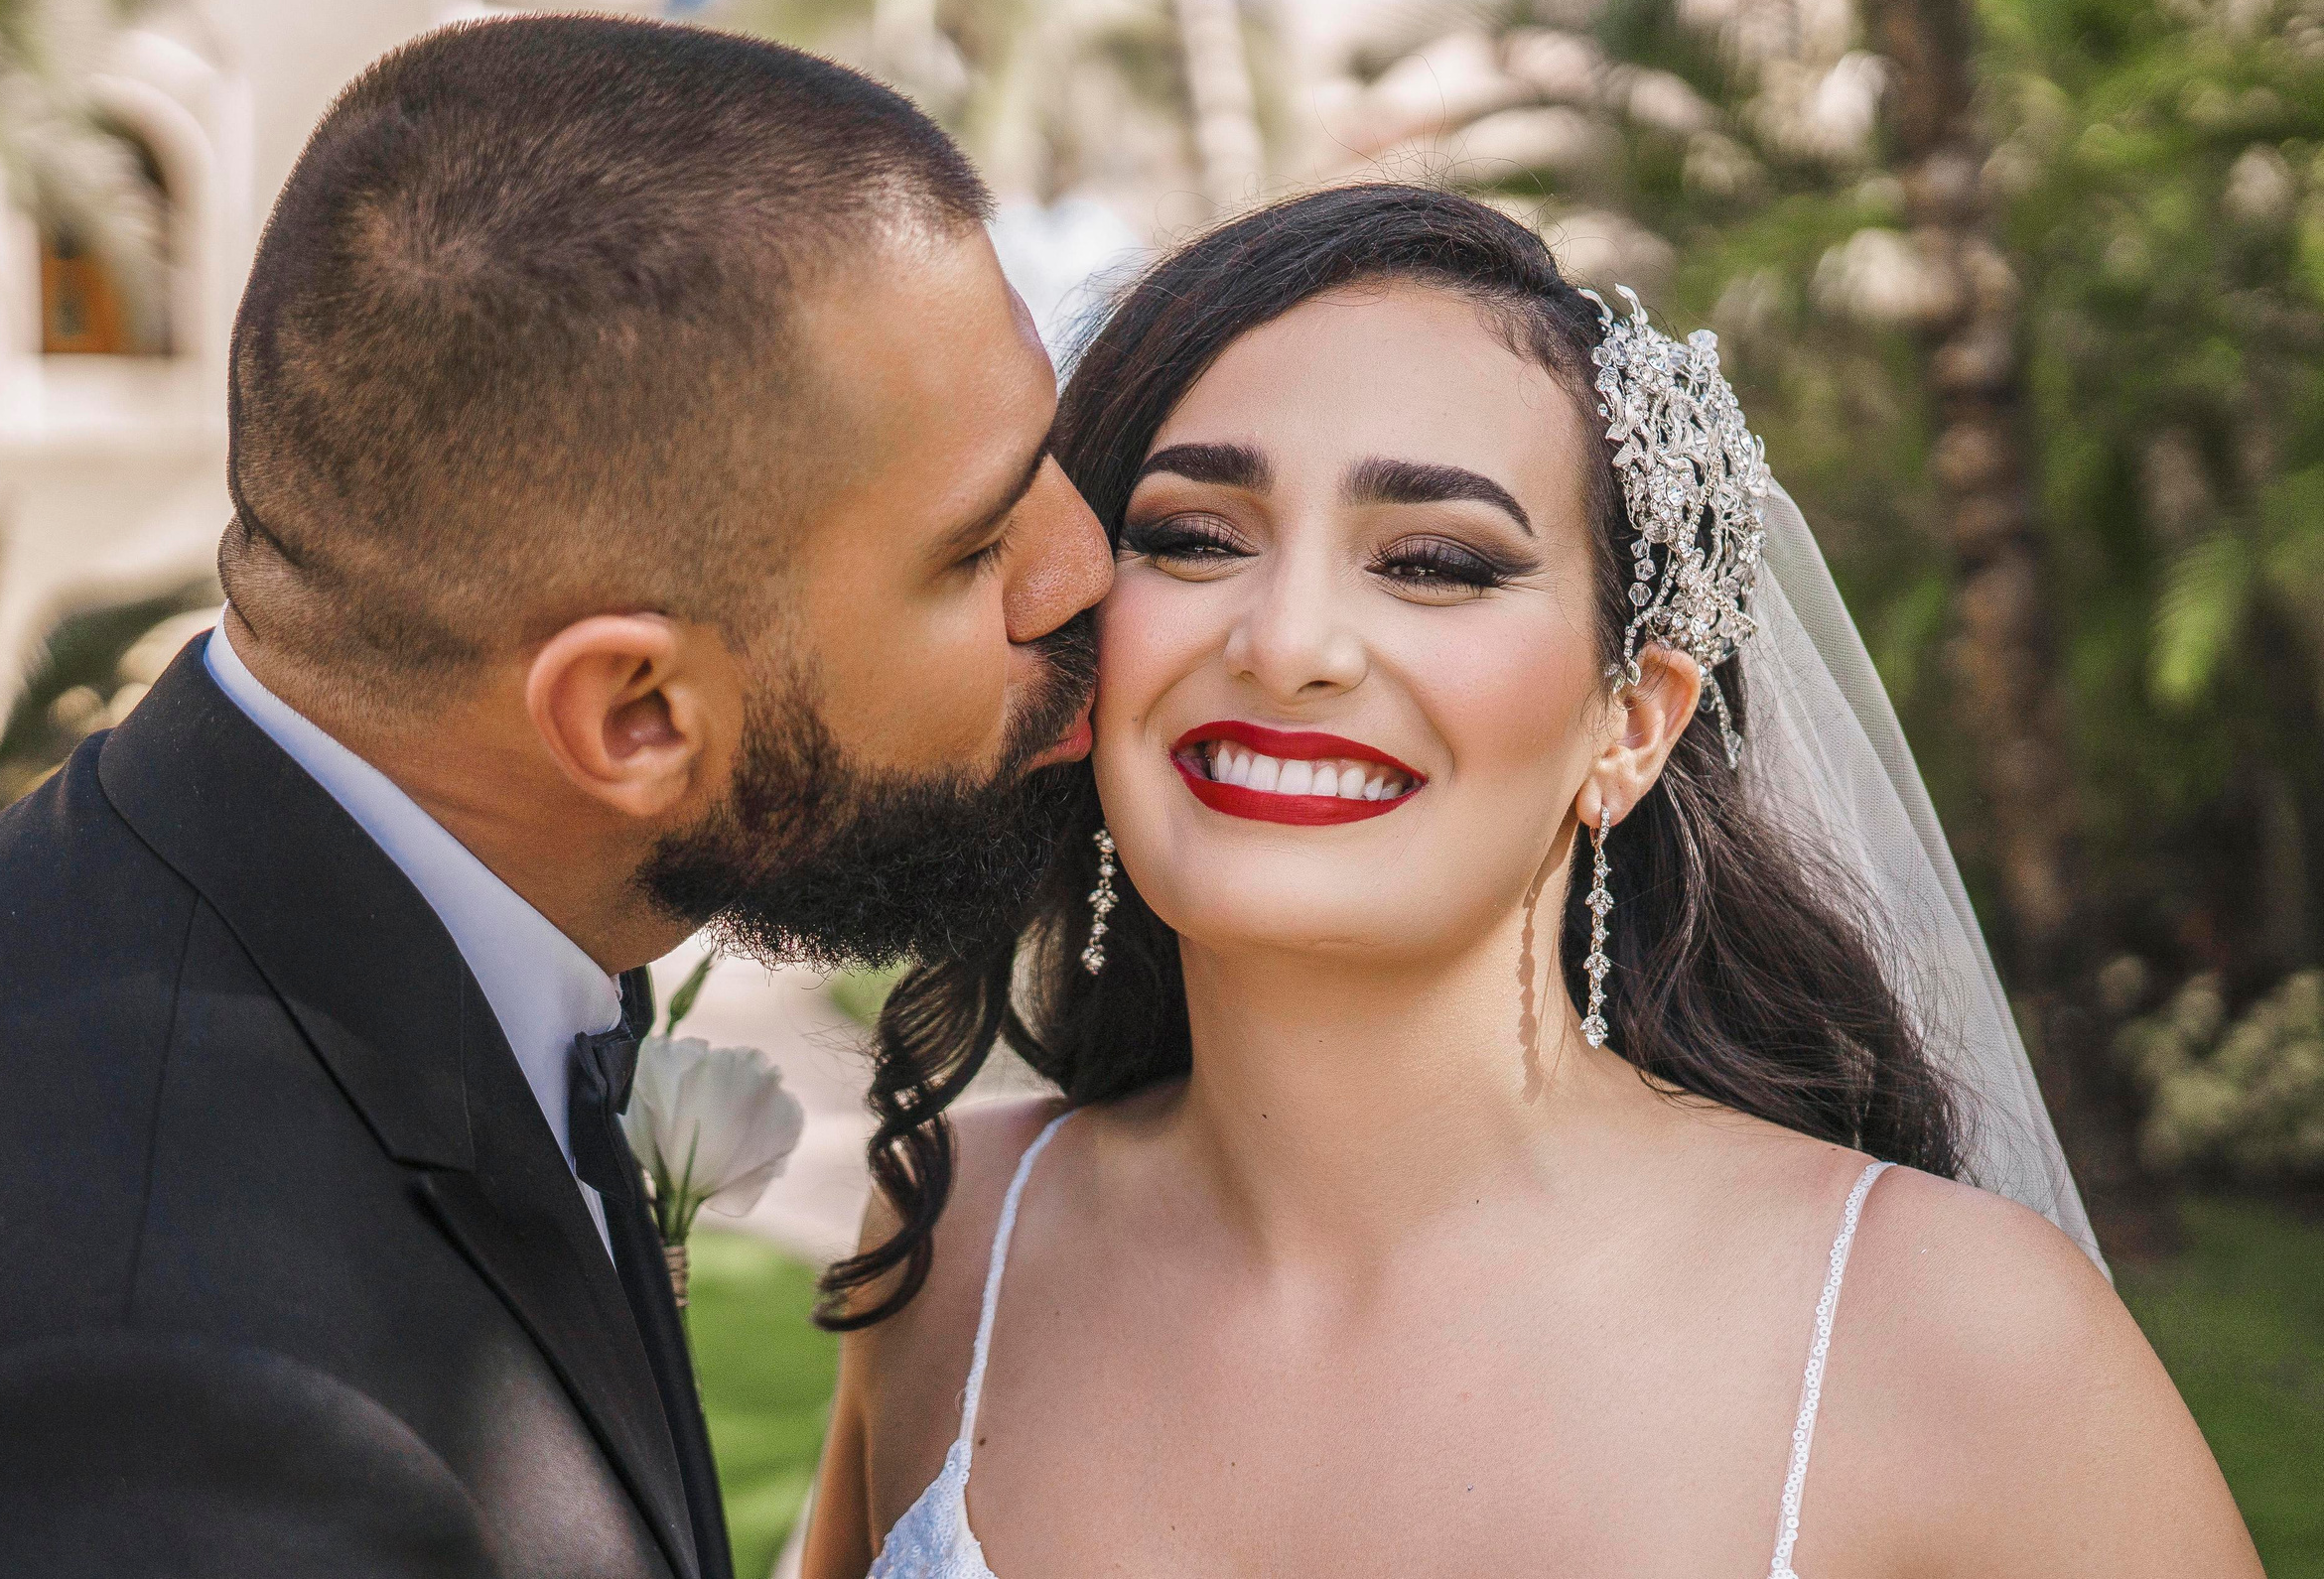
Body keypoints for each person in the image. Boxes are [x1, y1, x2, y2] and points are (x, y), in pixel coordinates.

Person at [0, 16, 1111, 1578]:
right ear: (631, 718)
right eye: (971, 549)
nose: (1084, 562)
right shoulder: (173, 1418)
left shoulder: (249, 906)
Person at [802, 186, 2263, 1578]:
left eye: (1435, 561)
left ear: (1632, 723)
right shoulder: (953, 1234)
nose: (1288, 638)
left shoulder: (1953, 1335)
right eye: (1192, 537)